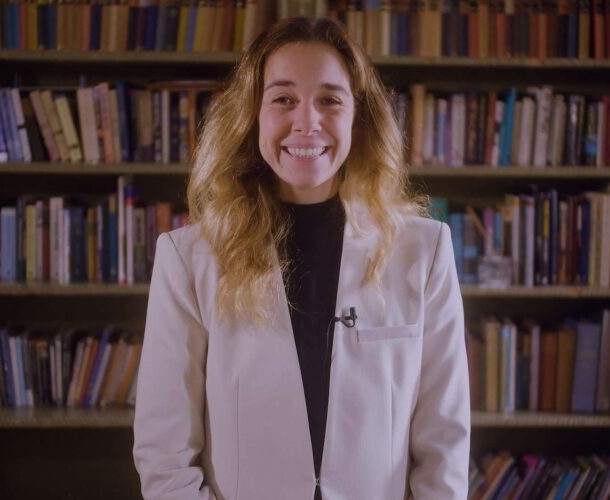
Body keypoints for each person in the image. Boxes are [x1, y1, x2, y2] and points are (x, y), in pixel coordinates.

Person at [133, 16, 469, 500]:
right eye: (284, 99)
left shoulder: (425, 252)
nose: (306, 122)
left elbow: (445, 445)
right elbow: (164, 455)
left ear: (359, 116)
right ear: (254, 115)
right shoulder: (188, 260)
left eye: (330, 100)